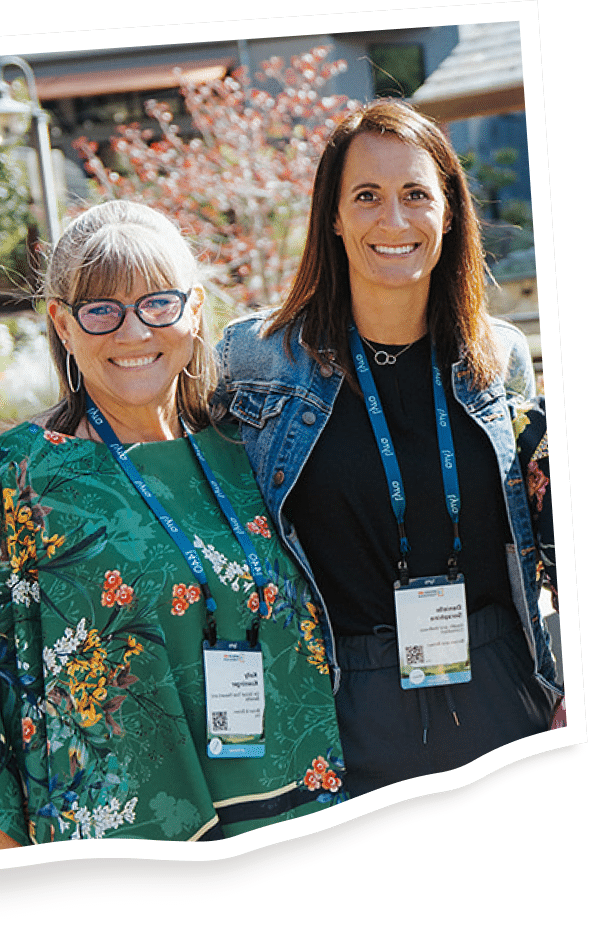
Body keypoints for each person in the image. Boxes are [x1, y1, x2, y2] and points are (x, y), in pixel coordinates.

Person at [214, 99, 562, 798]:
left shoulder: (501, 357)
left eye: (415, 195)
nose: (393, 221)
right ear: (333, 216)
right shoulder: (257, 360)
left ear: (450, 211)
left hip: (504, 691)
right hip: (344, 705)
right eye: (367, 196)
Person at [0, 200, 345, 847]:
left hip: (300, 822)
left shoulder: (252, 452)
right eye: (101, 310)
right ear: (61, 324)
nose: (132, 334)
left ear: (194, 310)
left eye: (157, 303)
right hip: (130, 859)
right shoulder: (22, 478)